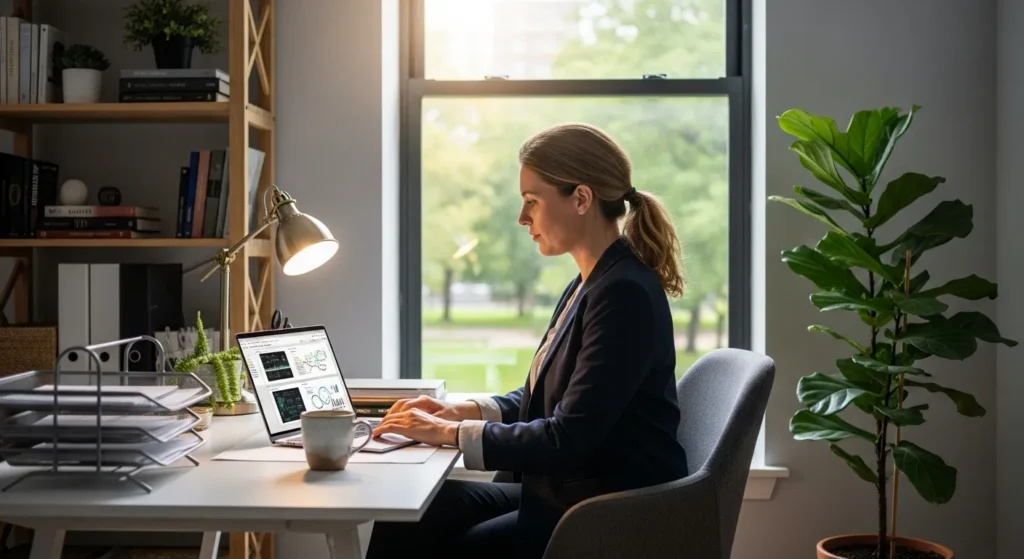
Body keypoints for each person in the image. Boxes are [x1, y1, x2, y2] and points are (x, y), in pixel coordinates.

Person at [366, 122, 689, 559]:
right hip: (570, 489)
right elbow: (553, 395)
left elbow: (568, 436)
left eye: (531, 202)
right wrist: (465, 410)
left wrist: (447, 432)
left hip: (604, 510)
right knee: (410, 516)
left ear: (581, 198)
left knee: (433, 542)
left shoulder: (622, 293)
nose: (522, 219)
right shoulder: (592, 281)